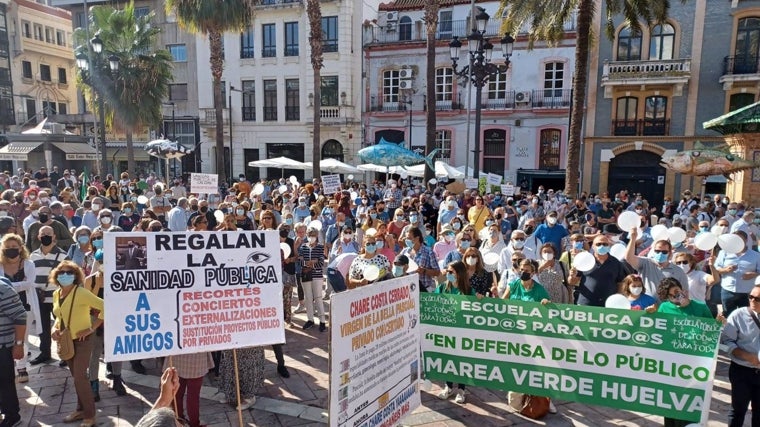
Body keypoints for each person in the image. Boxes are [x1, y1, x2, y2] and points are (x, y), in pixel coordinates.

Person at [656, 277, 716, 427]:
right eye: (671, 295)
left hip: (695, 363)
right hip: (672, 363)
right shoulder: (664, 308)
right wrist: (649, 314)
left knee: (689, 400)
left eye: (677, 292)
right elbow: (658, 332)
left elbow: (712, 332)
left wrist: (718, 323)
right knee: (670, 401)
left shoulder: (700, 307)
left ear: (682, 289)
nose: (676, 296)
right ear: (667, 297)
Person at [51, 261, 103, 427]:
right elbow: (59, 316)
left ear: (75, 276)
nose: (64, 276)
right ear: (56, 276)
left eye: (69, 273)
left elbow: (105, 306)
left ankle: (90, 415)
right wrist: (55, 328)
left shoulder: (81, 292)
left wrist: (91, 328)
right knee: (76, 378)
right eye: (61, 273)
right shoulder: (56, 294)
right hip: (67, 340)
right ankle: (80, 409)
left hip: (83, 341)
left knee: (80, 377)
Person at [29, 225, 68, 366]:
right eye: (43, 233)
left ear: (54, 237)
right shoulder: (32, 256)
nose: (46, 236)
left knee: (61, 326)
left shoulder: (63, 255)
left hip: (57, 297)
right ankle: (44, 352)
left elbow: (68, 275)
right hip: (39, 297)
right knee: (42, 327)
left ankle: (65, 353)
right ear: (39, 237)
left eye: (49, 233)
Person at [722, 284, 760, 427]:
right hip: (741, 370)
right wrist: (745, 355)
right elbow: (727, 341)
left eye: (757, 299)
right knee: (738, 410)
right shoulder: (738, 315)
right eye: (750, 297)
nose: (752, 301)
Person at [0, 234, 36, 384]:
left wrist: (9, 286)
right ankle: (9, 366)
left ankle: (22, 367)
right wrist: (19, 285)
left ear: (21, 248)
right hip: (3, 309)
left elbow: (30, 283)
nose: (11, 250)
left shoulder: (28, 264)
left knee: (22, 337)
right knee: (7, 338)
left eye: (14, 247)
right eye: (7, 248)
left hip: (24, 305)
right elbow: (22, 284)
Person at [436, 260, 471, 404]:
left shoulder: (468, 290)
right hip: (446, 329)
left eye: (451, 272)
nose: (448, 274)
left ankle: (461, 389)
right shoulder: (443, 287)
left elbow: (475, 306)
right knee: (448, 358)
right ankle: (449, 386)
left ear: (459, 273)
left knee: (461, 359)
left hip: (463, 330)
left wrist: (480, 299)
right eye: (447, 271)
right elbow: (432, 301)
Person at [625, 228, 688, 298]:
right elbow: (629, 258)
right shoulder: (646, 263)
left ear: (670, 253)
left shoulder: (678, 271)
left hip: (668, 307)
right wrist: (633, 238)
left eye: (664, 252)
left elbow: (685, 293)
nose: (660, 254)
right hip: (647, 306)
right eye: (657, 251)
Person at [0, 275, 26, 427]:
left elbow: (20, 316)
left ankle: (12, 415)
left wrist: (19, 344)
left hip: (3, 345)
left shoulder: (3, 289)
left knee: (5, 382)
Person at [714, 230, 760, 316]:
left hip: (747, 292)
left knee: (747, 316)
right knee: (728, 315)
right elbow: (716, 269)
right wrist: (726, 270)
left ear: (746, 240)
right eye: (734, 239)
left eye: (739, 239)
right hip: (728, 290)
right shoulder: (724, 253)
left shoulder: (756, 255)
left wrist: (753, 275)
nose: (736, 241)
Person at [163, 352, 214, 427]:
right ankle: (193, 423)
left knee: (177, 393)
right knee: (192, 396)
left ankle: (179, 420)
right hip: (196, 356)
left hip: (178, 353)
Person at [299, 227, 326, 331]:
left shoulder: (320, 247)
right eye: (310, 234)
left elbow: (321, 262)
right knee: (308, 298)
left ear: (317, 235)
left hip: (317, 275)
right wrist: (309, 262)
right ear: (307, 235)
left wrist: (312, 264)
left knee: (318, 297)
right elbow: (300, 261)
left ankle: (322, 321)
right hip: (306, 275)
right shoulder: (303, 247)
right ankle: (310, 319)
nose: (312, 237)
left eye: (314, 235)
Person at [400, 227, 440, 292]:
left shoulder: (428, 252)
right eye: (406, 238)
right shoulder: (404, 251)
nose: (407, 240)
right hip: (407, 289)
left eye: (409, 238)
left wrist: (424, 271)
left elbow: (437, 272)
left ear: (417, 238)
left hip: (424, 289)